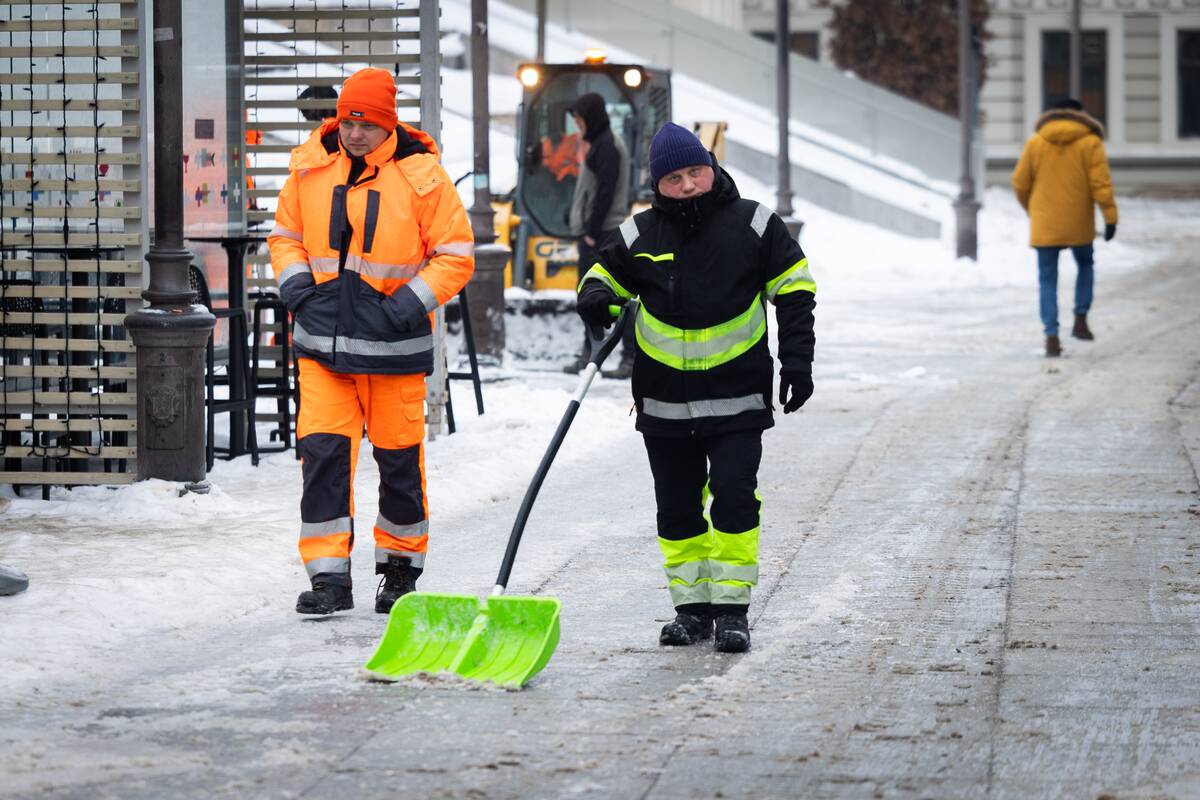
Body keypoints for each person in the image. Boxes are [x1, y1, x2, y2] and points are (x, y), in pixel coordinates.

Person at [575, 123, 816, 652]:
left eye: (695, 172)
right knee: (677, 508)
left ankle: (732, 610)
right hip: (664, 403)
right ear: (657, 185)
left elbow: (795, 291)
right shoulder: (641, 234)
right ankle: (691, 610)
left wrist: (798, 363)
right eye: (673, 178)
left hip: (738, 398)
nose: (687, 185)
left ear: (711, 167)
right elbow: (599, 276)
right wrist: (594, 295)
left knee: (733, 497)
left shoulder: (754, 223)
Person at [268, 67, 475, 615]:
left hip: (393, 353)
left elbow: (455, 255)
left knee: (399, 465)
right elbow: (285, 237)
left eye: (368, 124)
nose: (355, 133)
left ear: (389, 124)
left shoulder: (422, 177)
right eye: (349, 121)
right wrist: (299, 294)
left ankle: (400, 572)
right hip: (323, 350)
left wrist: (402, 308)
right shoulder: (310, 167)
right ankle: (329, 580)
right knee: (323, 460)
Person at [1011, 97, 1118, 357]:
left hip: (1045, 223)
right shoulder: (1090, 142)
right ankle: (1081, 318)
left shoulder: (1036, 142)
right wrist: (1110, 217)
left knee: (1047, 280)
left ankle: (1051, 336)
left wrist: (1032, 209)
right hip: (1079, 222)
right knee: (1085, 265)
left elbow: (1020, 183)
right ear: (1080, 115)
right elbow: (1100, 185)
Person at [561, 92, 636, 379]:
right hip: (598, 232)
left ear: (591, 117)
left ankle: (626, 357)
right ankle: (591, 354)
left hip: (602, 234)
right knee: (591, 297)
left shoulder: (607, 146)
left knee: (612, 296)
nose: (578, 126)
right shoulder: (600, 144)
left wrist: (591, 232)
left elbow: (605, 191)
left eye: (580, 120)